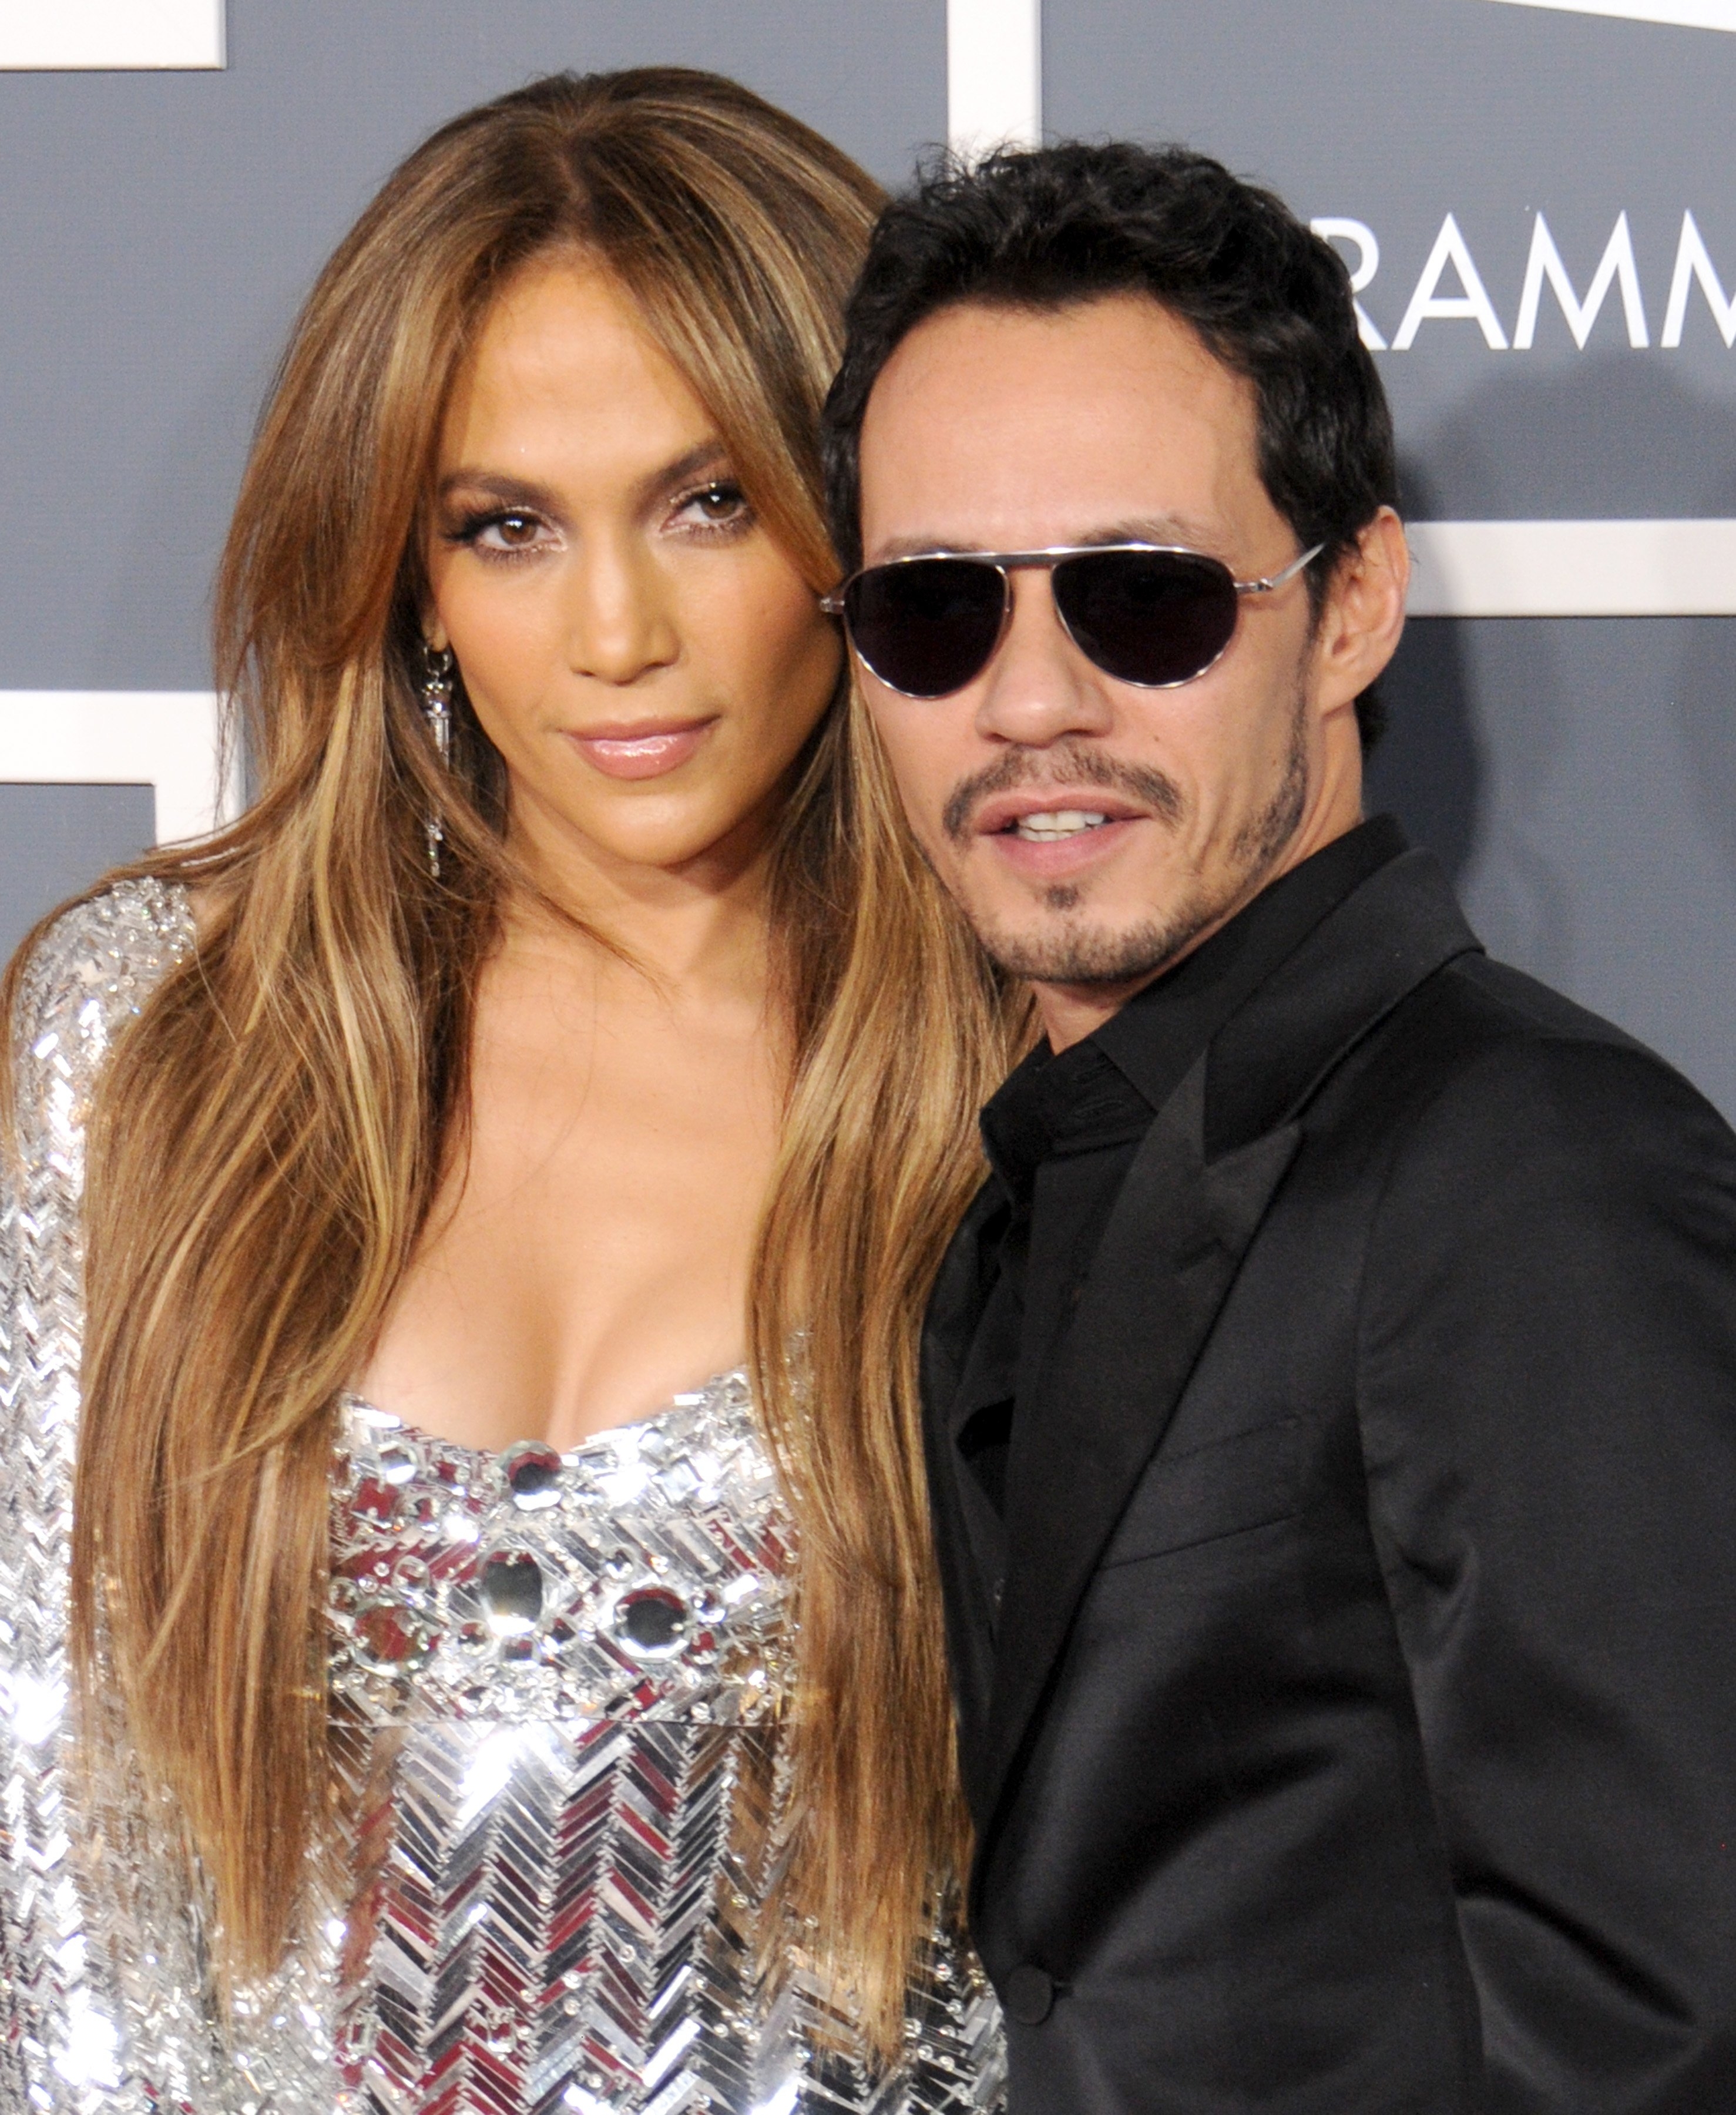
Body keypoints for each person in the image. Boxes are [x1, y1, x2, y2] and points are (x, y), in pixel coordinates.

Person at [0, 70, 1016, 2114]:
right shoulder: (163, 1028)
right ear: (410, 575)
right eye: (509, 528)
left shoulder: (1026, 1059)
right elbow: (59, 1830)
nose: (619, 634)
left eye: (708, 499)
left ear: (856, 522)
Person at [819, 140, 1736, 2111]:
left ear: (1350, 609)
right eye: (932, 614)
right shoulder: (1010, 1199)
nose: (1028, 701)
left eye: (1144, 602)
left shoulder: (1529, 1180)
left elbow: (1676, 2034)